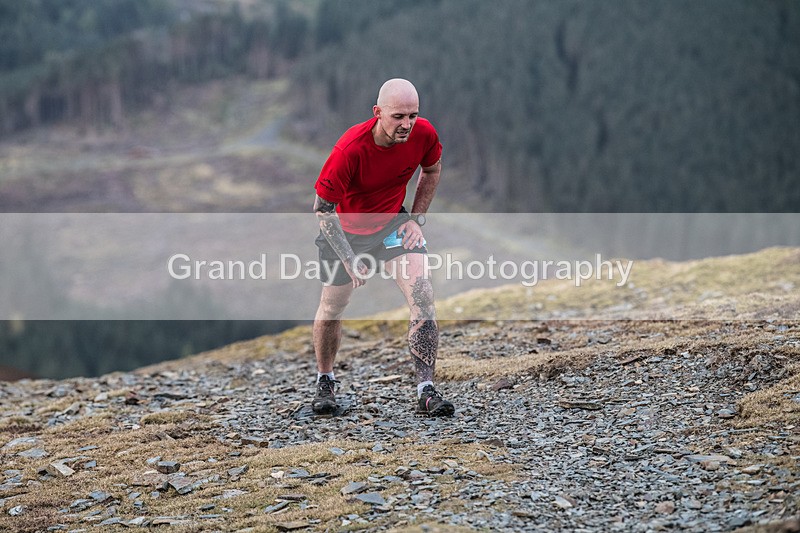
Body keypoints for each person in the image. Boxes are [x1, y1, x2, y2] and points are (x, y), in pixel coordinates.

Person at [311, 78, 454, 417]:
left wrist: (414, 219)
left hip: (392, 224)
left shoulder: (424, 134)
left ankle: (426, 390)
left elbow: (431, 169)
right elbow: (322, 208)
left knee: (423, 295)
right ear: (378, 113)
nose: (407, 124)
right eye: (398, 116)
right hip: (344, 233)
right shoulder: (350, 149)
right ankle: (325, 379)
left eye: (413, 115)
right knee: (332, 307)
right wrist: (348, 258)